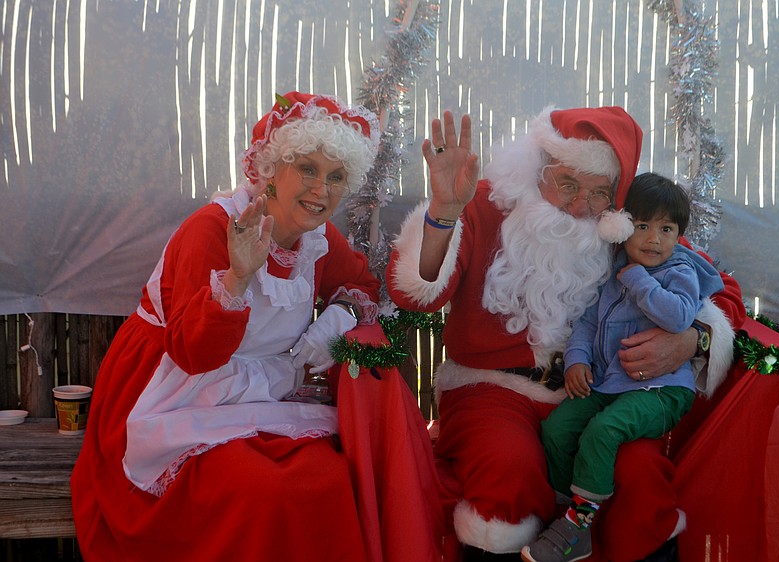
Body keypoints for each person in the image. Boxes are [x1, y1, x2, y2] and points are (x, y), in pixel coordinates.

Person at [71, 91, 444, 562]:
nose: (321, 190)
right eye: (307, 169)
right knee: (262, 491)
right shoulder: (210, 231)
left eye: (335, 177)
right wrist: (238, 277)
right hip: (178, 397)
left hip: (265, 396)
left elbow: (360, 283)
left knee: (326, 479)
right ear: (269, 171)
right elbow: (194, 353)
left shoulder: (317, 238)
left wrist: (337, 320)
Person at [386, 107, 745, 561]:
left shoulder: (627, 231)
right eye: (568, 185)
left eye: (598, 194)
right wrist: (441, 214)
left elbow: (722, 293)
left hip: (598, 393)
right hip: (491, 390)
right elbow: (415, 296)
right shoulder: (481, 204)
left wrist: (693, 339)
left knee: (638, 476)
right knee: (508, 472)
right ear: (538, 171)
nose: (580, 207)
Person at [522, 173, 726, 562]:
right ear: (624, 225)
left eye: (666, 229)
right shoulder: (612, 270)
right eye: (644, 226)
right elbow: (586, 321)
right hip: (608, 382)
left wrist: (637, 280)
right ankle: (571, 515)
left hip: (661, 391)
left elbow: (679, 316)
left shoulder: (677, 271)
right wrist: (578, 360)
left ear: (679, 233)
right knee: (557, 428)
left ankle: (577, 524)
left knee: (604, 431)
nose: (654, 239)